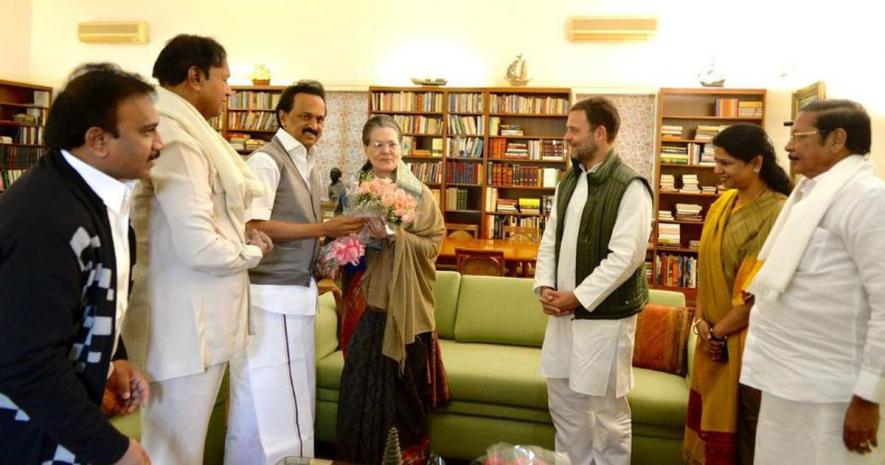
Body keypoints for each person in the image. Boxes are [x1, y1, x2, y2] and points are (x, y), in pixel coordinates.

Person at [123, 34, 273, 465]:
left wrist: (239, 236)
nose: (230, 90)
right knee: (175, 450)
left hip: (195, 321)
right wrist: (251, 251)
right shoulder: (177, 136)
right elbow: (199, 246)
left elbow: (206, 222)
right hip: (186, 329)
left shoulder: (186, 130)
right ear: (194, 76)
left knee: (180, 446)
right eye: (224, 78)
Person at [0, 63, 159, 465]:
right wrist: (113, 449)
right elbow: (25, 363)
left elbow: (93, 296)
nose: (159, 143)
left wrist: (115, 359)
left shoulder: (101, 198)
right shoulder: (46, 219)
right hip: (25, 435)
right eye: (146, 131)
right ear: (98, 140)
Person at [741, 100, 885, 465]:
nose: (788, 147)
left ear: (837, 139)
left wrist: (868, 396)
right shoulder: (810, 193)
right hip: (788, 379)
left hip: (833, 393)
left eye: (799, 137)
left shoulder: (868, 199)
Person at [229, 80, 364, 464]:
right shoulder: (265, 161)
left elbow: (303, 231)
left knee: (291, 399)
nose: (315, 125)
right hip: (269, 297)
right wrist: (324, 230)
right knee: (262, 399)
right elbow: (253, 224)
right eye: (306, 116)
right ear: (282, 116)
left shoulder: (310, 165)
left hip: (297, 296)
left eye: (320, 118)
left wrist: (330, 252)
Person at [533, 97, 653, 465]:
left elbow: (626, 258)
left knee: (607, 414)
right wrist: (546, 288)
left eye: (574, 129)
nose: (566, 137)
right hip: (563, 314)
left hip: (605, 319)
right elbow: (551, 237)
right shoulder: (570, 180)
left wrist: (578, 298)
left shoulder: (630, 186)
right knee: (565, 403)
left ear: (600, 133)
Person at [336, 115, 448, 465]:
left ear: (403, 148)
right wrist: (356, 240)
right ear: (366, 149)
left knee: (403, 387)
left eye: (392, 144)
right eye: (377, 144)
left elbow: (433, 244)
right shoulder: (353, 193)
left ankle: (407, 458)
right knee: (359, 382)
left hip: (404, 302)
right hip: (364, 298)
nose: (386, 151)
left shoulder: (420, 194)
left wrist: (395, 237)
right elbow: (341, 240)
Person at [682, 124, 791, 465]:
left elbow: (756, 291)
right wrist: (701, 322)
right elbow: (707, 269)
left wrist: (718, 332)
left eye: (726, 163)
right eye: (716, 161)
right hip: (712, 338)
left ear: (756, 163)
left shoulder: (777, 212)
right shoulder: (722, 203)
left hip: (745, 348)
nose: (717, 171)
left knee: (745, 436)